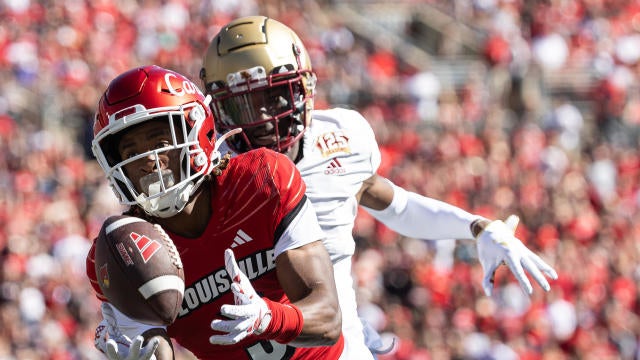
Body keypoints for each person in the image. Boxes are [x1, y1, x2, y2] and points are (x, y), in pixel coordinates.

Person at [199, 15, 559, 358]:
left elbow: (396, 205)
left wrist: (476, 227)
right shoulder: (209, 169)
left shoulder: (339, 137)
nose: (264, 117)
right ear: (221, 109)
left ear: (303, 87)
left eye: (273, 96)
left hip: (340, 346)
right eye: (246, 104)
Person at [86, 65, 347, 359]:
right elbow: (157, 349)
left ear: (198, 133)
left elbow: (327, 317)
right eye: (131, 153)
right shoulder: (122, 250)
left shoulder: (261, 181)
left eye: (160, 143)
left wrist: (268, 319)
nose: (148, 161)